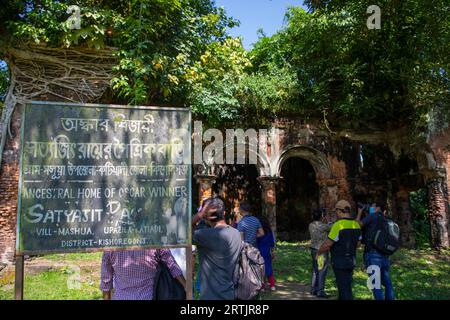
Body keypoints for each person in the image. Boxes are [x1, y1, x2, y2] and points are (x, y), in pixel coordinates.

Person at [192, 197, 242, 300]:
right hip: (230, 293)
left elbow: (181, 231)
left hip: (210, 296)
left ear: (206, 217)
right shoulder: (236, 233)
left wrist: (200, 214)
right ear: (223, 213)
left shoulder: (204, 236)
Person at [316, 200, 361, 300]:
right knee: (346, 287)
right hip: (351, 261)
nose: (335, 213)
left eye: (336, 211)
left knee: (344, 290)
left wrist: (319, 252)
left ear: (341, 211)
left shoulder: (338, 225)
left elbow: (328, 244)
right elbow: (358, 244)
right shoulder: (356, 225)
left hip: (340, 262)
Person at [100, 249, 186, 300]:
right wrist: (186, 286)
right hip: (149, 297)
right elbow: (172, 265)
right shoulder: (154, 241)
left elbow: (106, 282)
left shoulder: (111, 247)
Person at [357, 202, 395, 300]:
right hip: (385, 255)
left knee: (375, 284)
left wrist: (359, 212)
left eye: (373, 206)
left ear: (378, 208)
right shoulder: (386, 219)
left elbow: (357, 225)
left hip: (373, 255)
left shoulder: (372, 216)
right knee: (387, 283)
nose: (371, 208)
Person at [308, 209, 332, 298]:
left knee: (315, 270)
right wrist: (328, 219)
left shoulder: (310, 225)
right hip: (321, 250)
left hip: (313, 249)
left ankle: (313, 289)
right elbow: (332, 227)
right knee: (322, 270)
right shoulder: (323, 226)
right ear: (322, 216)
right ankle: (320, 291)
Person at [256, 216, 277, 291]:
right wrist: (272, 250)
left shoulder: (258, 232)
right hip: (267, 251)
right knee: (269, 268)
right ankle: (272, 285)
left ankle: (262, 287)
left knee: (260, 269)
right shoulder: (269, 231)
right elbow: (272, 242)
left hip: (259, 251)